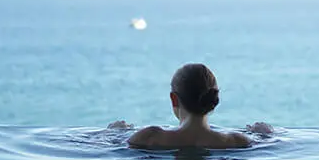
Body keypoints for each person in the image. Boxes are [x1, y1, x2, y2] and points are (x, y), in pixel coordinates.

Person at [111, 63, 272, 149]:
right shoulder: (236, 141)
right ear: (214, 101)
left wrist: (116, 132)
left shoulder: (150, 137)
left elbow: (116, 144)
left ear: (174, 99)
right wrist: (264, 134)